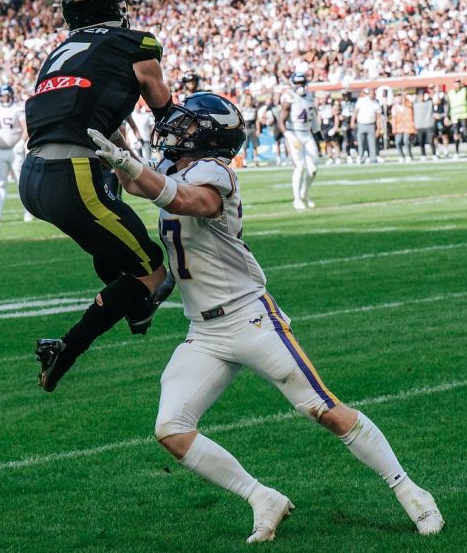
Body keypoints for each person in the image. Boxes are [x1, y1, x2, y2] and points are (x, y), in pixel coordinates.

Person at [88, 93, 444, 544]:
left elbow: (190, 203)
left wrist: (131, 164)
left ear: (211, 136)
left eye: (189, 127)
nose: (177, 131)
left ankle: (411, 492)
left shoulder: (214, 173)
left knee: (325, 410)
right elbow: (143, 185)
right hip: (204, 329)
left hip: (250, 317)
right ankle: (262, 497)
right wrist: (118, 146)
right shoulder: (177, 170)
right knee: (172, 429)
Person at [20, 0, 175, 393]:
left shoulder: (57, 53)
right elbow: (166, 113)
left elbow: (80, 112)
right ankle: (67, 348)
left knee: (116, 247)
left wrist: (124, 161)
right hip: (72, 177)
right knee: (155, 274)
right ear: (113, 3)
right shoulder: (136, 43)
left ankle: (133, 303)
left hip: (33, 177)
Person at [0, 84, 32, 224]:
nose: (5, 98)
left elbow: (26, 129)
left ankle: (28, 212)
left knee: (20, 183)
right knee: (0, 184)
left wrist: (21, 142)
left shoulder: (17, 108)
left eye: (7, 95)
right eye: (3, 95)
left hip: (15, 151)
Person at [277, 72, 320, 210]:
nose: (300, 86)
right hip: (294, 133)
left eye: (302, 83)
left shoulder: (309, 96)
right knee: (299, 167)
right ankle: (297, 199)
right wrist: (289, 136)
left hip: (307, 134)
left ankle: (304, 194)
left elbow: (313, 116)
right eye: (297, 83)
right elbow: (280, 121)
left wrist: (318, 133)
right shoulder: (289, 97)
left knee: (313, 169)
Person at [352, 89, 383, 164]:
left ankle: (373, 158)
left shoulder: (376, 103)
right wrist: (352, 121)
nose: (372, 95)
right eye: (371, 93)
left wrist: (378, 129)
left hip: (371, 124)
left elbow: (378, 117)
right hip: (361, 123)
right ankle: (361, 158)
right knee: (361, 142)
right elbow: (355, 112)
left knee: (372, 143)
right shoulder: (361, 101)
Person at [447, 78, 467, 158]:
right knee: (456, 134)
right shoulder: (450, 93)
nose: (457, 84)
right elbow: (449, 105)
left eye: (458, 83)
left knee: (466, 133)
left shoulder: (464, 90)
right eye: (456, 83)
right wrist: (447, 116)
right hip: (454, 115)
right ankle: (457, 152)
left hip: (464, 115)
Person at [391, 93, 415, 162]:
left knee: (406, 141)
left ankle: (409, 155)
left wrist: (405, 97)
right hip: (399, 127)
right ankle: (402, 156)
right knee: (397, 142)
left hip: (408, 126)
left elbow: (410, 104)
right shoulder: (394, 107)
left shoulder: (407, 105)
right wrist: (394, 128)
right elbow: (393, 119)